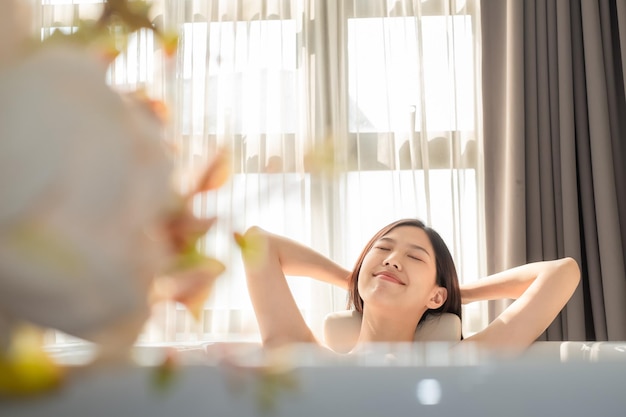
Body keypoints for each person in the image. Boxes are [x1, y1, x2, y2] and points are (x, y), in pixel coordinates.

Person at [240, 218, 580, 353]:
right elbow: (258, 243)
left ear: (435, 295)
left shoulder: (463, 363)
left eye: (414, 258)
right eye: (384, 250)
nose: (392, 260)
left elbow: (563, 272)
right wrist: (358, 276)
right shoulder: (307, 358)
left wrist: (454, 295)